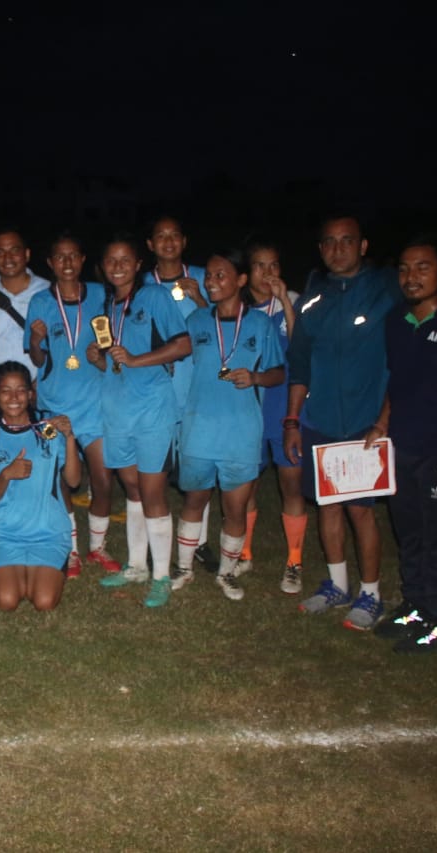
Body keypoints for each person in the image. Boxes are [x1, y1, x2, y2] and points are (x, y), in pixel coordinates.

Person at [286, 215, 437, 631]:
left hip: (368, 422)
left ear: (363, 246)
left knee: (361, 511)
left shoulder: (387, 287)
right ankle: (337, 585)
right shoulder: (312, 298)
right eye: (329, 242)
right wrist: (292, 419)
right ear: (320, 249)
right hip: (321, 419)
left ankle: (371, 594)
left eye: (347, 241)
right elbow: (300, 364)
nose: (338, 249)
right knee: (328, 505)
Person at [367, 237, 437, 652]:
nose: (411, 276)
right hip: (403, 445)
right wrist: (382, 423)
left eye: (423, 267)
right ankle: (414, 605)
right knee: (409, 531)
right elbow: (398, 381)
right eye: (404, 268)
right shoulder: (397, 321)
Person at [175, 249, 285, 601]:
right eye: (209, 275)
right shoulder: (196, 321)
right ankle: (184, 568)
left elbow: (279, 372)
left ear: (240, 280)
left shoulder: (260, 325)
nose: (211, 281)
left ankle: (226, 573)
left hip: (241, 432)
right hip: (198, 429)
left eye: (220, 275)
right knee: (194, 500)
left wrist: (255, 377)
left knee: (234, 508)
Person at [93, 235, 192, 608]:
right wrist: (99, 356)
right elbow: (115, 358)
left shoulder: (154, 297)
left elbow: (182, 345)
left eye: (125, 260)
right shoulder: (109, 306)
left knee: (152, 491)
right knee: (132, 488)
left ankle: (162, 574)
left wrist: (136, 360)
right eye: (111, 260)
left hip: (152, 409)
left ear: (138, 264)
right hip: (118, 409)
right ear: (103, 266)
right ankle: (136, 566)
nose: (117, 266)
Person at [25, 233, 117, 577]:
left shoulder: (100, 294)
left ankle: (98, 547)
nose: (67, 263)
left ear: (82, 259)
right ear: (50, 263)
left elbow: (109, 339)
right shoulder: (40, 302)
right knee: (62, 480)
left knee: (103, 479)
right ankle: (73, 550)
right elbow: (37, 357)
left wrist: (101, 352)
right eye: (60, 257)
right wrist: (37, 341)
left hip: (94, 403)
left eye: (73, 256)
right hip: (55, 406)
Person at [0, 362, 80, 611]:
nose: (14, 398)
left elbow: (74, 481)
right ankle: (14, 570)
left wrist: (69, 437)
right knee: (7, 600)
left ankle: (38, 569)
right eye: (5, 391)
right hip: (4, 534)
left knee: (44, 601)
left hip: (48, 533)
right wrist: (6, 475)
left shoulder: (47, 428)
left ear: (31, 394)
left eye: (21, 390)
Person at [145, 215, 216, 571]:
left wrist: (200, 299)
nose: (168, 241)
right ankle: (155, 542)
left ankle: (199, 541)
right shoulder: (142, 283)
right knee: (156, 471)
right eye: (161, 236)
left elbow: (224, 326)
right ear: (150, 245)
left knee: (198, 467)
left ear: (184, 241)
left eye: (175, 235)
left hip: (197, 387)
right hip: (158, 392)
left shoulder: (204, 277)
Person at [241, 239, 306, 593]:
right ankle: (244, 552)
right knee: (246, 482)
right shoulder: (239, 308)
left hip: (284, 408)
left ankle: (294, 560)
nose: (267, 273)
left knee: (290, 483)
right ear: (247, 272)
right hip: (250, 408)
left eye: (274, 265)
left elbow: (300, 348)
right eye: (259, 266)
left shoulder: (293, 301)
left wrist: (285, 301)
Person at [0, 228, 49, 384]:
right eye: (0, 252)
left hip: (42, 387)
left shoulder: (48, 292)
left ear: (27, 254)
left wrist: (43, 383)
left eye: (14, 251)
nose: (7, 258)